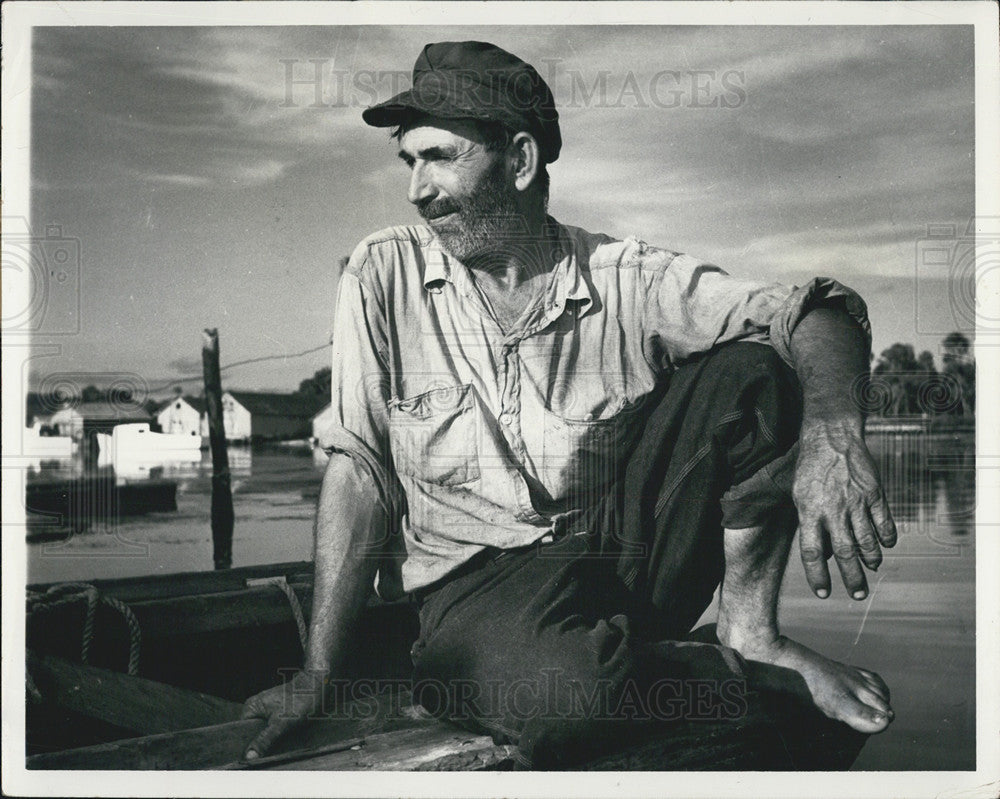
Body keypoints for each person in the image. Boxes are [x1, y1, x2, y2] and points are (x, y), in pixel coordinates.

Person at [242, 41, 897, 767]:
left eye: (440, 157)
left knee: (756, 370)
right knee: (573, 697)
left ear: (519, 162)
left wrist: (835, 433)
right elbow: (359, 472)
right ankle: (715, 675)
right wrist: (317, 675)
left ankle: (748, 632)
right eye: (410, 161)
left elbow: (819, 310)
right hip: (472, 588)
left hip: (617, 558)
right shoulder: (383, 273)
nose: (417, 190)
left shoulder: (622, 276)